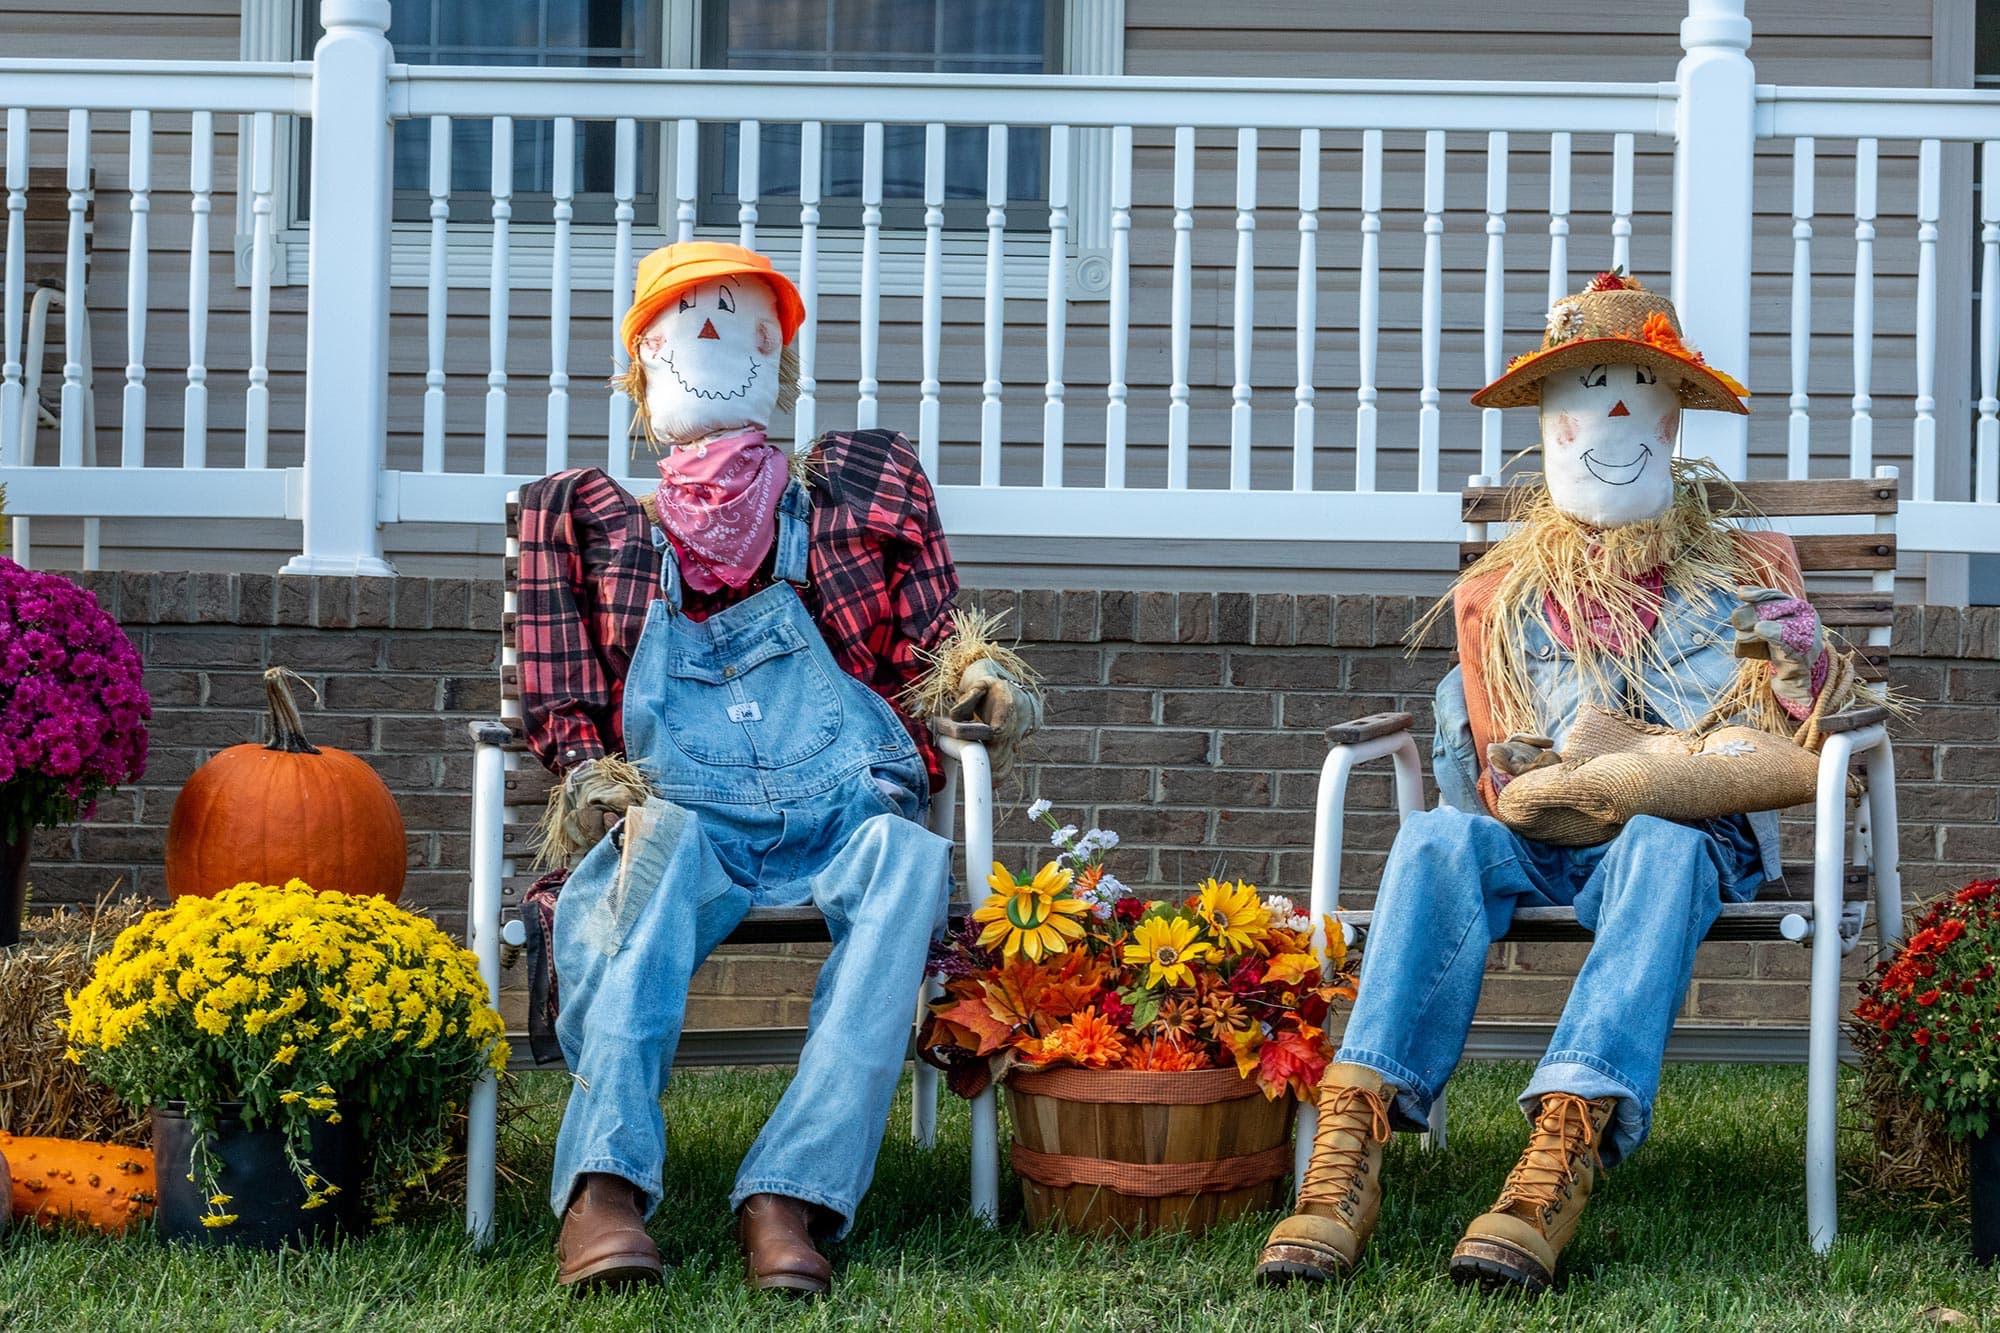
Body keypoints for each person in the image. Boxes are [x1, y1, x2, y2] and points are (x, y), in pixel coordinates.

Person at [1257, 274, 1852, 1295]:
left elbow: (1790, 713)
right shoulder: (1506, 593)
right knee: (1435, 839)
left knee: (1663, 837)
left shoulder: (1746, 567)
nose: (1609, 411)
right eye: (1583, 390)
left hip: (1682, 834)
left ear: (1670, 421)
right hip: (1541, 827)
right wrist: (1507, 763)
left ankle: (1558, 1153)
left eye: (1631, 387)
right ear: (1545, 426)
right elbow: (1484, 771)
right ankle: (1348, 1146)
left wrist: (1793, 665)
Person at [515, 242, 1040, 1297]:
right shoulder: (584, 523)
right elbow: (558, 696)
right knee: (649, 859)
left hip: (843, 802)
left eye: (737, 316)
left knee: (906, 862)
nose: (710, 334)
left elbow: (933, 650)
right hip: (688, 812)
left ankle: (786, 1192)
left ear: (779, 356)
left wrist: (976, 676)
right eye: (685, 321)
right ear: (643, 370)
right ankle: (604, 1187)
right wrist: (590, 774)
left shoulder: (858, 491)